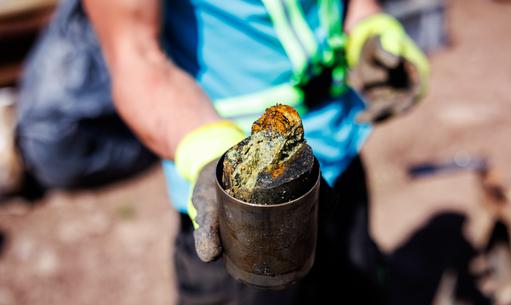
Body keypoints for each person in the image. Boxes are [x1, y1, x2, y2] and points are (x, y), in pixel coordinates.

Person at [5, 0, 434, 304]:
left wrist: (369, 26)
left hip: (338, 158)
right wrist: (207, 149)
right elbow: (136, 59)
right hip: (237, 211)